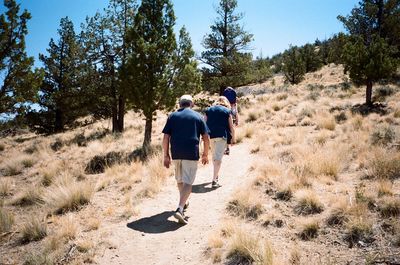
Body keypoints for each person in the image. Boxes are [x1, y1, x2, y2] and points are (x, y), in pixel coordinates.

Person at [162, 95, 210, 224]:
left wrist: (166, 155)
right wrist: (205, 154)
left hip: (176, 152)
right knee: (188, 182)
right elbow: (206, 137)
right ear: (192, 104)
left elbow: (166, 137)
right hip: (191, 152)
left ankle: (183, 201)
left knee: (180, 179)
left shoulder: (172, 116)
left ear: (180, 104)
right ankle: (180, 208)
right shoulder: (198, 116)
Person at [204, 96, 235, 188]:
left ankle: (216, 176)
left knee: (214, 156)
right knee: (218, 158)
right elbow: (231, 127)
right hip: (222, 135)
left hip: (210, 136)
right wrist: (233, 138)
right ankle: (214, 180)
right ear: (226, 103)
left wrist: (203, 136)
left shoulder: (208, 110)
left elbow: (203, 123)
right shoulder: (226, 111)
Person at [222, 86, 239, 155]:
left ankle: (226, 147)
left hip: (226, 113)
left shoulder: (224, 101)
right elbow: (236, 112)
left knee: (226, 130)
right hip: (232, 113)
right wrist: (237, 120)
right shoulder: (234, 102)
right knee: (231, 129)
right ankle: (229, 143)